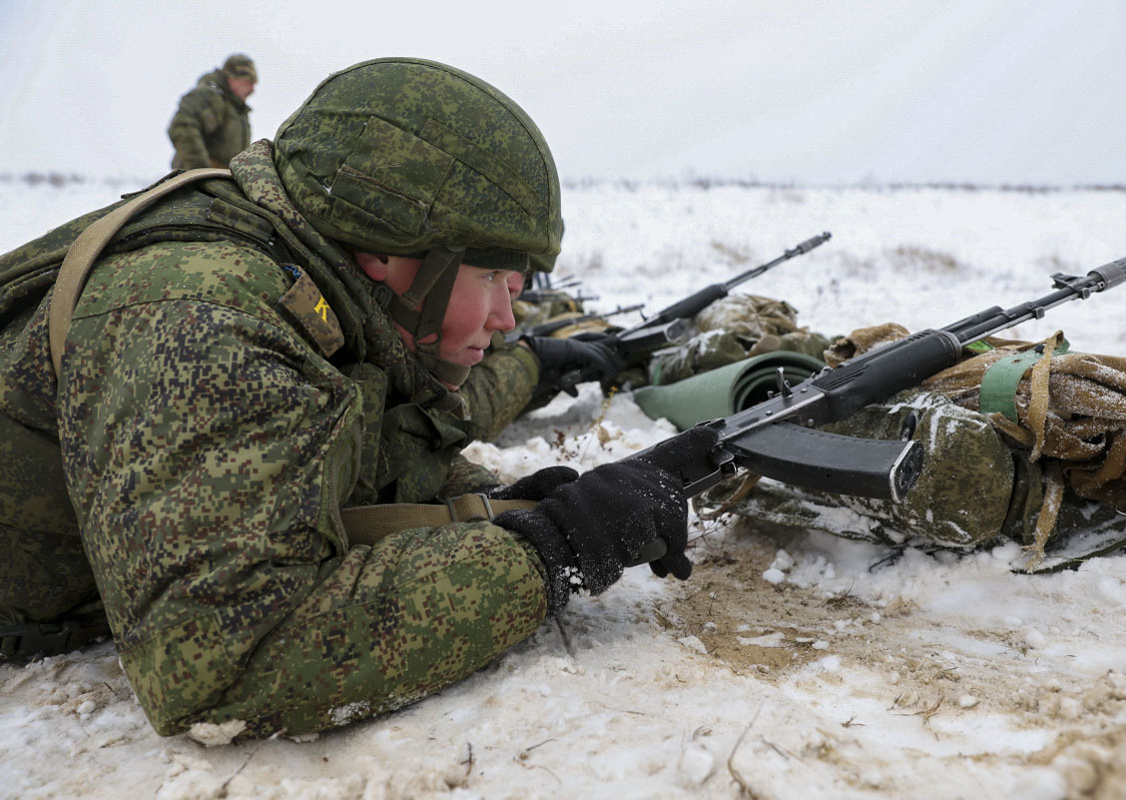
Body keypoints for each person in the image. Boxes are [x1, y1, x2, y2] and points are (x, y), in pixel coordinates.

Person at [0, 57, 713, 739]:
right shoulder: (206, 321)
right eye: (494, 276)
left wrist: (491, 503)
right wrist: (547, 551)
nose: (505, 320)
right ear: (388, 252)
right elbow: (228, 663)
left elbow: (334, 441)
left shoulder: (308, 280)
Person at [166, 54, 257, 169]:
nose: (252, 89)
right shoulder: (212, 97)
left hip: (222, 182)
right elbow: (182, 127)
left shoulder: (237, 110)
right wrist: (200, 172)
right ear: (233, 77)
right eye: (250, 82)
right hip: (200, 182)